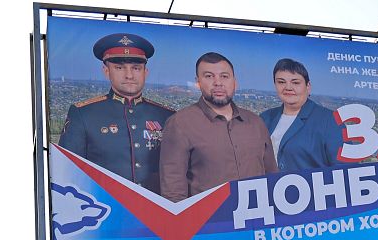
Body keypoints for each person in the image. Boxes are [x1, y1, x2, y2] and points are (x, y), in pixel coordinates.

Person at [58, 33, 175, 192]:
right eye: (119, 68)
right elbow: (67, 172)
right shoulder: (83, 114)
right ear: (106, 71)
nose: (129, 75)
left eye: (136, 68)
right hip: (103, 205)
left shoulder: (167, 116)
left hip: (157, 205)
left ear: (145, 72)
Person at [159, 52, 278, 202]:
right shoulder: (180, 123)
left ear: (235, 82)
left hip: (257, 214)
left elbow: (273, 179)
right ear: (198, 82)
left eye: (224, 76)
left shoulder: (256, 123)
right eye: (209, 76)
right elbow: (173, 192)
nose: (218, 83)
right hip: (208, 216)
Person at [259, 58, 345, 171]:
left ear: (308, 86)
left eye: (295, 82)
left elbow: (345, 170)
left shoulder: (330, 120)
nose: (288, 87)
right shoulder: (265, 118)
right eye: (281, 82)